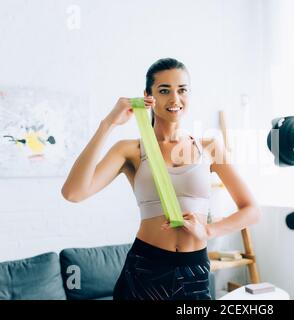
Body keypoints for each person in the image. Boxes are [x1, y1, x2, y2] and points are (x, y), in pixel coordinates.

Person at [61, 58, 261, 300]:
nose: (175, 99)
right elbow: (73, 193)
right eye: (164, 90)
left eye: (182, 90)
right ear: (148, 95)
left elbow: (251, 210)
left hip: (194, 269)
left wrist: (208, 230)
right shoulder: (131, 150)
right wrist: (108, 124)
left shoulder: (209, 147)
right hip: (146, 267)